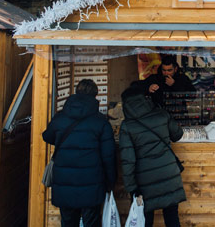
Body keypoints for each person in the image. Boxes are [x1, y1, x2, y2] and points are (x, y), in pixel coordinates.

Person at [42, 79, 117, 227]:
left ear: (76, 92)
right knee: (91, 222)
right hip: (91, 183)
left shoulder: (60, 117)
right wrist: (110, 182)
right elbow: (109, 157)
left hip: (64, 183)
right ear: (95, 95)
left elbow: (47, 136)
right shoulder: (101, 122)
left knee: (68, 222)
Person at [120, 82, 186, 227]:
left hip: (144, 180)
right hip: (169, 174)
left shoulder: (127, 126)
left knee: (145, 220)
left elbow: (128, 160)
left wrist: (132, 188)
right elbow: (177, 134)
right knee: (172, 218)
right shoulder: (161, 114)